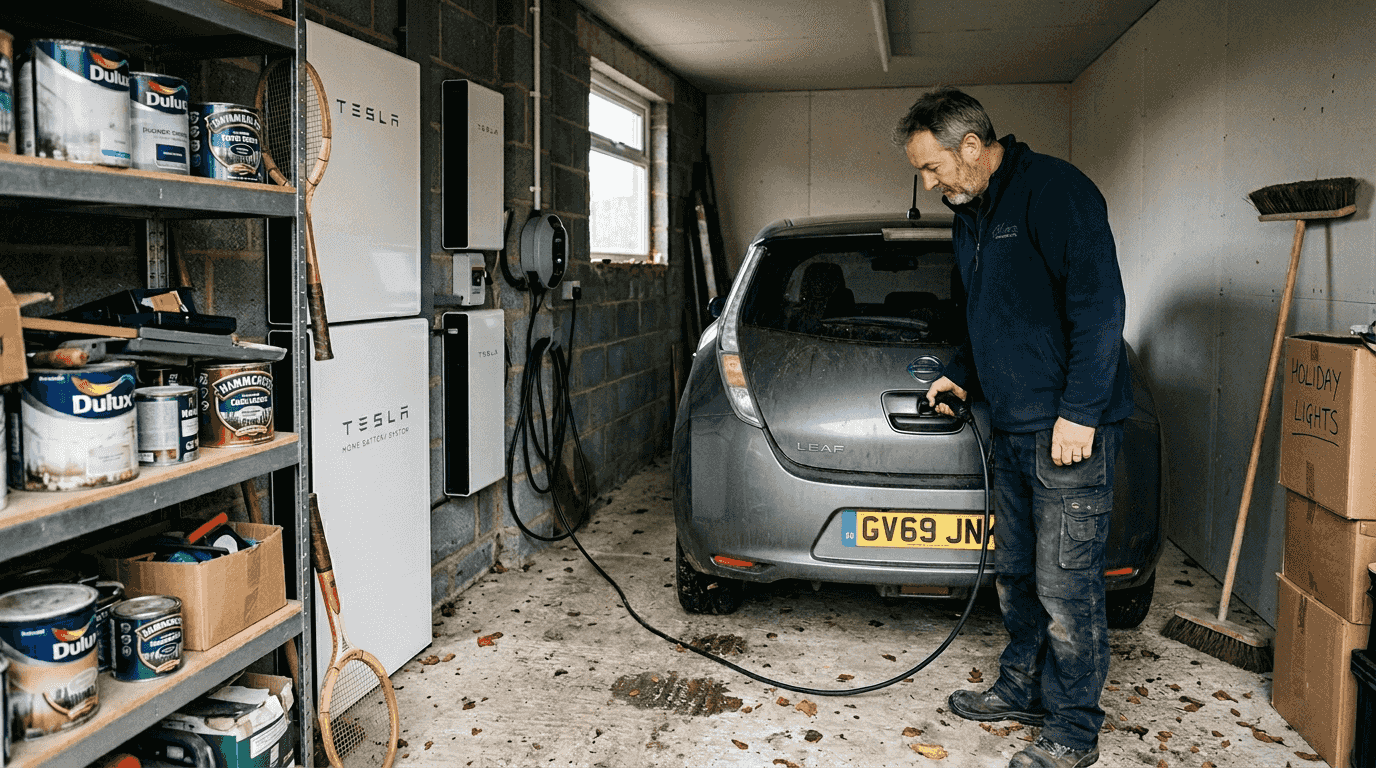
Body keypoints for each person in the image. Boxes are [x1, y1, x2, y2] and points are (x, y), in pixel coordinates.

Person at [896, 88, 1134, 768]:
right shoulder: (970, 214)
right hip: (1010, 426)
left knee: (1067, 588)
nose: (929, 184)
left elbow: (1100, 309)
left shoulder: (1058, 193)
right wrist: (960, 375)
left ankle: (1073, 729)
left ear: (972, 146)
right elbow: (986, 314)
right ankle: (1023, 688)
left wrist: (1080, 413)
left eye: (932, 166)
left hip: (1066, 432)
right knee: (1018, 576)